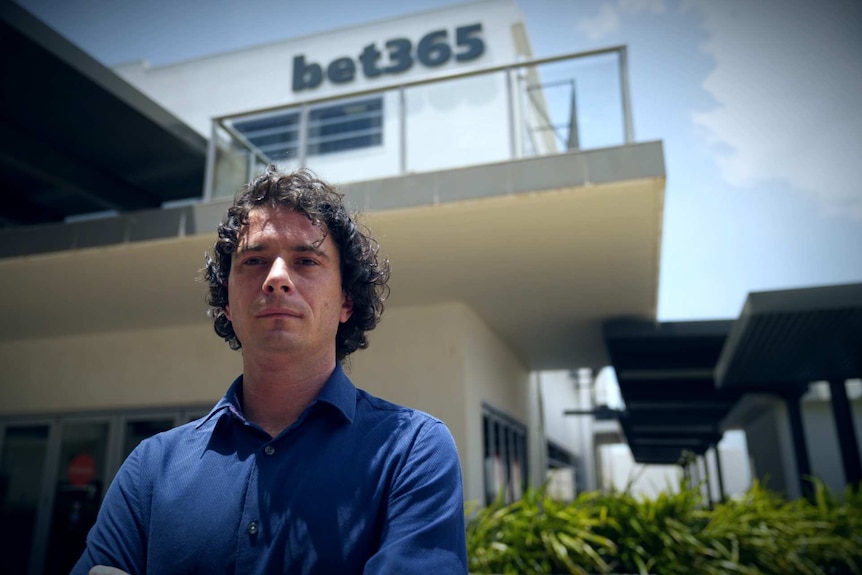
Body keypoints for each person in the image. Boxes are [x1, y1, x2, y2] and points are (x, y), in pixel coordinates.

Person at [72, 166, 468, 574]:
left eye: (306, 261)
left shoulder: (412, 450)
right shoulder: (150, 469)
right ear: (226, 301)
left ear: (347, 301)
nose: (277, 278)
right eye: (255, 260)